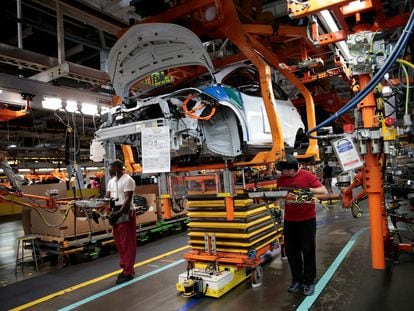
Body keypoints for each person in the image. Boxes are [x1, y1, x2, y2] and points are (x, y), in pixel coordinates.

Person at [276, 154, 327, 296]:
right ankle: (297, 280)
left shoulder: (307, 176)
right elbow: (280, 196)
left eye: (284, 170)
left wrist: (309, 190)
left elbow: (324, 191)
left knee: (308, 251)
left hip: (306, 221)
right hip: (289, 221)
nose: (282, 173)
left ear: (292, 170)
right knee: (292, 252)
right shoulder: (281, 180)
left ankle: (309, 282)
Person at [105, 159, 137, 284]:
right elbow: (107, 197)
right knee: (119, 243)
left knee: (127, 243)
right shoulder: (111, 182)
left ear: (117, 168)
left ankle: (129, 271)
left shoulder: (128, 180)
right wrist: (96, 207)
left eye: (110, 167)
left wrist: (118, 214)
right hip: (115, 212)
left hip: (125, 213)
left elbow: (128, 199)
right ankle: (125, 267)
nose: (109, 170)